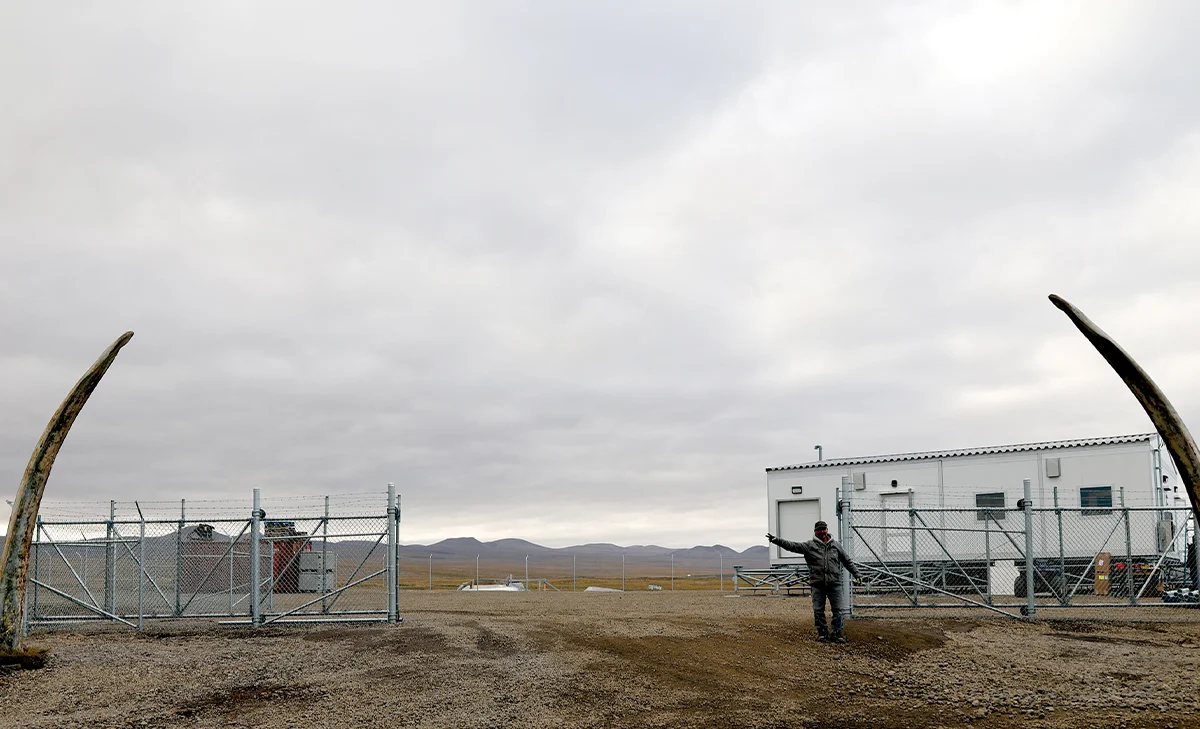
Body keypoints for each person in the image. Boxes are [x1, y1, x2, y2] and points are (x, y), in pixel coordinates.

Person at [767, 521, 861, 643]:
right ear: (815, 531)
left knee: (838, 610)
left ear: (827, 530)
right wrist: (776, 540)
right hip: (817, 584)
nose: (822, 532)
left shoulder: (836, 546)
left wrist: (857, 573)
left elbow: (847, 561)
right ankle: (822, 633)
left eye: (824, 529)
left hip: (834, 583)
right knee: (818, 610)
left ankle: (837, 633)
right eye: (819, 530)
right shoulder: (809, 546)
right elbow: (792, 546)